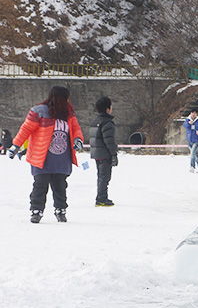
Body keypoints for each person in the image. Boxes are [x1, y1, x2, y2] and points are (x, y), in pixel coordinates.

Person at [8, 86, 84, 223]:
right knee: (40, 185)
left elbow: (75, 128)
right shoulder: (39, 111)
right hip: (41, 158)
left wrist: (78, 139)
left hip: (62, 158)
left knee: (60, 186)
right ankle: (36, 210)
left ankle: (60, 210)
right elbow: (26, 129)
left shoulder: (69, 114)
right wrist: (16, 146)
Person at [89, 96, 118, 207]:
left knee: (101, 176)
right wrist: (113, 154)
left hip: (97, 154)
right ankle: (101, 198)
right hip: (105, 154)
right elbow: (109, 140)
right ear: (107, 109)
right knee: (105, 177)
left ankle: (101, 196)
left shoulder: (95, 121)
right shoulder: (107, 122)